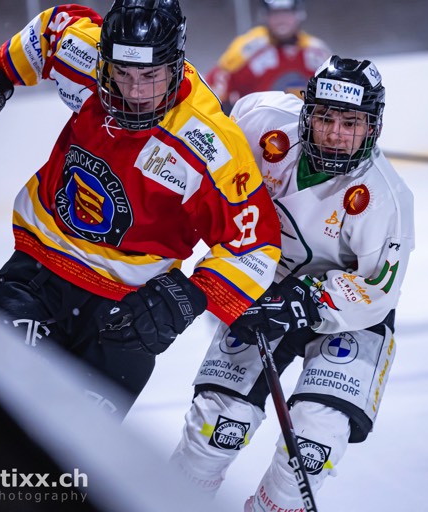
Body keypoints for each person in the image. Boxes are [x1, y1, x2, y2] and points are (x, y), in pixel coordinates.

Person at [0, 1, 284, 419]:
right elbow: (49, 30)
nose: (134, 92)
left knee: (77, 456)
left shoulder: (211, 143)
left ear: (176, 64)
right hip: (36, 276)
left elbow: (256, 246)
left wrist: (186, 296)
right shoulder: (86, 53)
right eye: (123, 74)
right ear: (105, 59)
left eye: (150, 76)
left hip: (128, 316)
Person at [170, 55, 415, 511]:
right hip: (263, 287)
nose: (337, 133)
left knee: (311, 446)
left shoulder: (386, 199)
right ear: (306, 111)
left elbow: (378, 290)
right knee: (212, 432)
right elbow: (208, 145)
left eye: (351, 122)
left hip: (348, 314)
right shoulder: (262, 119)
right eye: (325, 118)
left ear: (373, 127)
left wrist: (309, 300)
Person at [206, 0, 331, 114]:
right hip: (256, 129)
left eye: (287, 13)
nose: (281, 20)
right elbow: (214, 90)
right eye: (275, 14)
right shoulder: (247, 49)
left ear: (299, 14)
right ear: (265, 15)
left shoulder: (316, 51)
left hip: (305, 129)